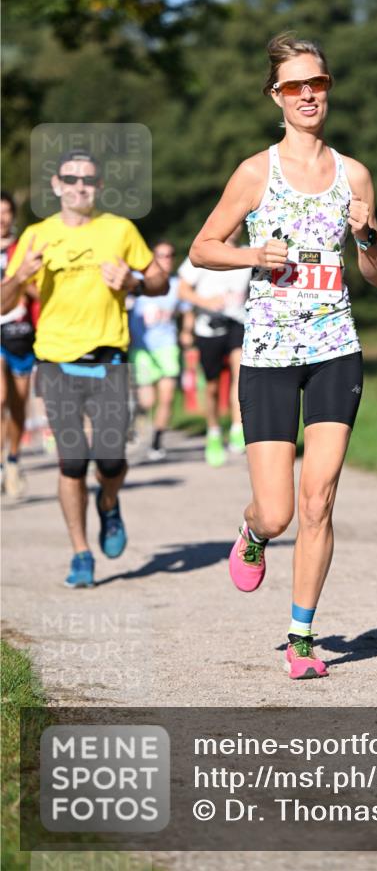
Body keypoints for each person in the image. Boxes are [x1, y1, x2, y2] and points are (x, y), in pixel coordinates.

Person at [188, 33, 377, 679]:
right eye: (296, 86)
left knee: (319, 498)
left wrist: (368, 236)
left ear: (328, 90)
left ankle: (302, 639)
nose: (309, 96)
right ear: (276, 96)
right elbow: (201, 248)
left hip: (335, 347)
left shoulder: (354, 175)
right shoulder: (256, 171)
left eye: (318, 84)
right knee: (276, 512)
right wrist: (253, 255)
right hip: (270, 351)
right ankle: (251, 534)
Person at [1, 150, 168, 587]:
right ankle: (80, 553)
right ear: (56, 184)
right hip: (56, 363)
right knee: (72, 462)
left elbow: (159, 280)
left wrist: (133, 282)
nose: (79, 186)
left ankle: (108, 505)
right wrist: (21, 278)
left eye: (88, 181)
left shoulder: (119, 230)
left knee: (111, 461)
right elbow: (4, 303)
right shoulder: (37, 237)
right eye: (71, 179)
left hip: (109, 360)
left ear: (99, 187)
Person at [178, 223, 251, 466]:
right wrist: (204, 302)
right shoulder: (205, 253)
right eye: (228, 224)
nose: (231, 230)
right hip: (208, 328)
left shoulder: (247, 253)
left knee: (240, 374)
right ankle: (213, 432)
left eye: (237, 225)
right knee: (211, 386)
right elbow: (182, 290)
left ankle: (237, 427)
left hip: (237, 323)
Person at [128, 239, 188, 461]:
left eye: (169, 255)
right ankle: (137, 417)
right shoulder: (138, 282)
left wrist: (187, 330)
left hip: (167, 347)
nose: (165, 259)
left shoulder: (176, 284)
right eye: (160, 255)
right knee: (147, 400)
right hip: (142, 348)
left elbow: (187, 309)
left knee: (167, 397)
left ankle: (157, 441)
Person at [1, 191, 36, 497]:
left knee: (18, 405)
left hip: (21, 331)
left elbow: (40, 289)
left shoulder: (24, 247)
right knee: (0, 397)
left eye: (6, 212)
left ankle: (12, 459)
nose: (2, 218)